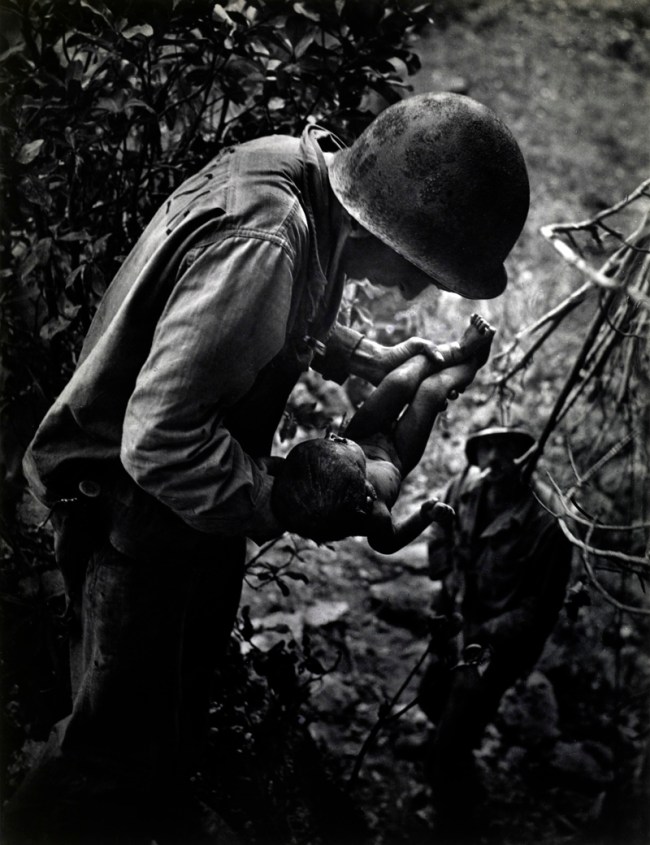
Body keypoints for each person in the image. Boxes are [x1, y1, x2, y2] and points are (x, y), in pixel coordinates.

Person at [4, 92, 530, 845]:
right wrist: (287, 500)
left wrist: (362, 355)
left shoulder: (301, 179)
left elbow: (264, 306)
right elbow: (160, 443)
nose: (415, 288)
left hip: (188, 507)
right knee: (107, 757)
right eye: (420, 267)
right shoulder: (269, 241)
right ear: (378, 224)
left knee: (172, 716)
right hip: (131, 511)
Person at [418, 425, 572, 837]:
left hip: (501, 645)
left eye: (508, 448)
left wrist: (488, 632)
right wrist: (444, 578)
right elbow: (439, 530)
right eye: (487, 447)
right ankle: (453, 750)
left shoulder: (548, 521)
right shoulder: (464, 487)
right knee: (431, 694)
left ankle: (453, 810)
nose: (495, 458)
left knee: (457, 728)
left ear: (527, 457)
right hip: (459, 617)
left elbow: (542, 607)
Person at [272, 314, 495, 553]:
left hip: (364, 432)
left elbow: (276, 468)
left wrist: (270, 465)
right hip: (397, 454)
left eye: (330, 440)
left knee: (400, 380)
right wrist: (424, 516)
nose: (336, 436)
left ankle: (458, 349)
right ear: (367, 490)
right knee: (432, 390)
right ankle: (473, 362)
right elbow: (388, 544)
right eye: (340, 443)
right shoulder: (375, 514)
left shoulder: (303, 485)